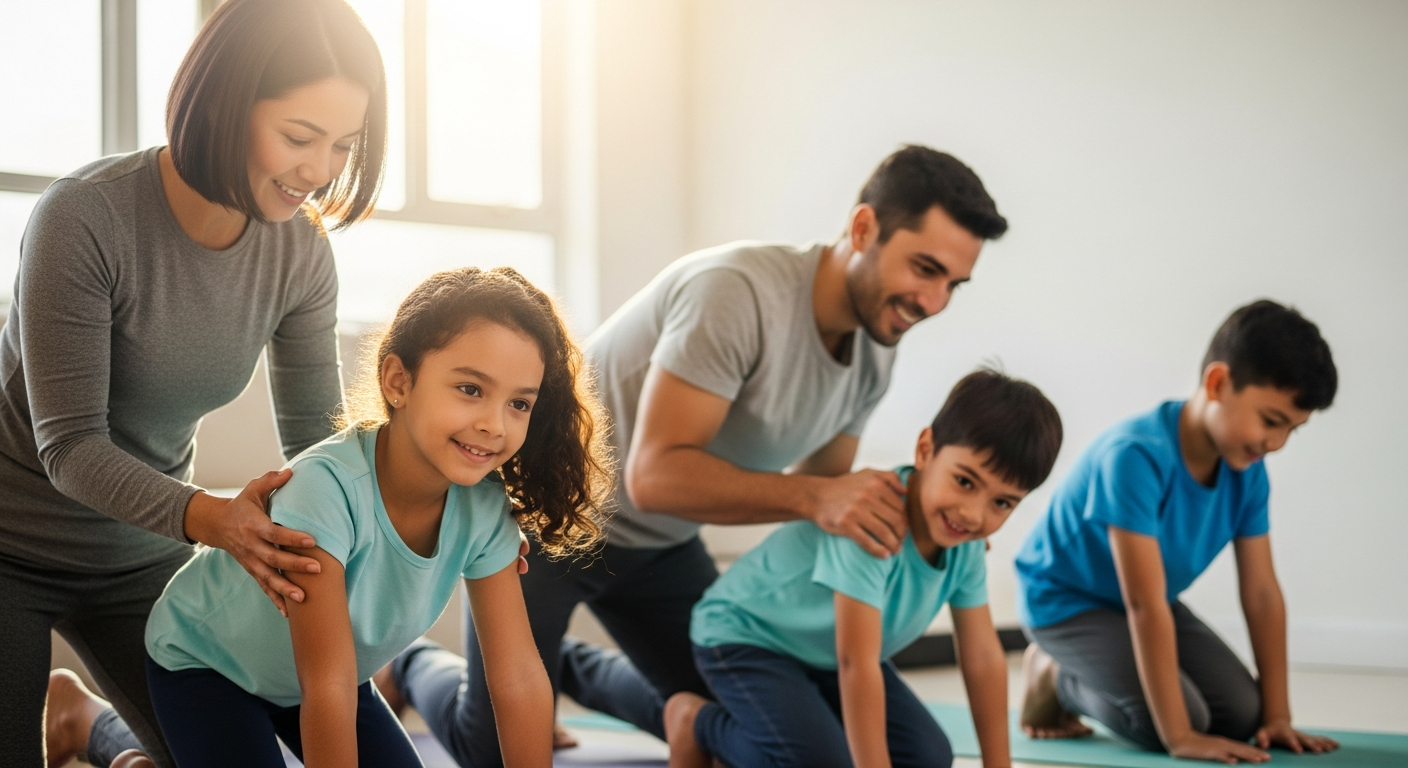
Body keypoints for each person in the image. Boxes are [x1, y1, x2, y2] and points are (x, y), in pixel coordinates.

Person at [379, 145, 1009, 765]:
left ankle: (562, 666)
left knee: (748, 723)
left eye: (953, 283)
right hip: (545, 526)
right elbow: (654, 477)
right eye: (924, 269)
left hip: (659, 546)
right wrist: (821, 498)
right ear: (864, 227)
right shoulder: (736, 293)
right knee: (490, 752)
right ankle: (415, 664)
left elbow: (825, 495)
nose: (934, 302)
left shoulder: (876, 349)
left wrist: (933, 521)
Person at [1, 1, 387, 765]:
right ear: (222, 106)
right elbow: (71, 446)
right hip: (8, 542)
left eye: (342, 145)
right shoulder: (85, 217)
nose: (319, 171)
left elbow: (318, 437)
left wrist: (419, 518)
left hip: (140, 553)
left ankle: (82, 721)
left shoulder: (300, 256)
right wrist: (217, 519)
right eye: (298, 137)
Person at [137, 267, 610, 767]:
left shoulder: (487, 507)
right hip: (209, 665)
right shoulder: (325, 489)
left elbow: (517, 674)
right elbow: (327, 686)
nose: (494, 424)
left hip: (333, 678)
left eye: (519, 403)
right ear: (398, 381)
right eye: (471, 389)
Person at [665, 368, 1063, 768]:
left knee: (929, 758)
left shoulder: (966, 542)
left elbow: (982, 656)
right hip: (746, 636)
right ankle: (696, 722)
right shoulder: (873, 520)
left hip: (822, 654)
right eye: (964, 481)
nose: (973, 514)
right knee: (822, 764)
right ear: (926, 450)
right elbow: (857, 665)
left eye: (1002, 503)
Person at [1014, 300, 1342, 764]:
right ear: (1217, 383)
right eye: (1271, 421)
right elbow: (1143, 605)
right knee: (1173, 721)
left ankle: (1107, 681)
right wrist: (1180, 737)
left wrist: (1278, 716)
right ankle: (1056, 676)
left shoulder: (1247, 470)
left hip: (1147, 601)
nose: (1276, 444)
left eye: (1291, 429)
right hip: (1066, 603)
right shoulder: (1134, 457)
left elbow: (1263, 592)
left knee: (1243, 714)